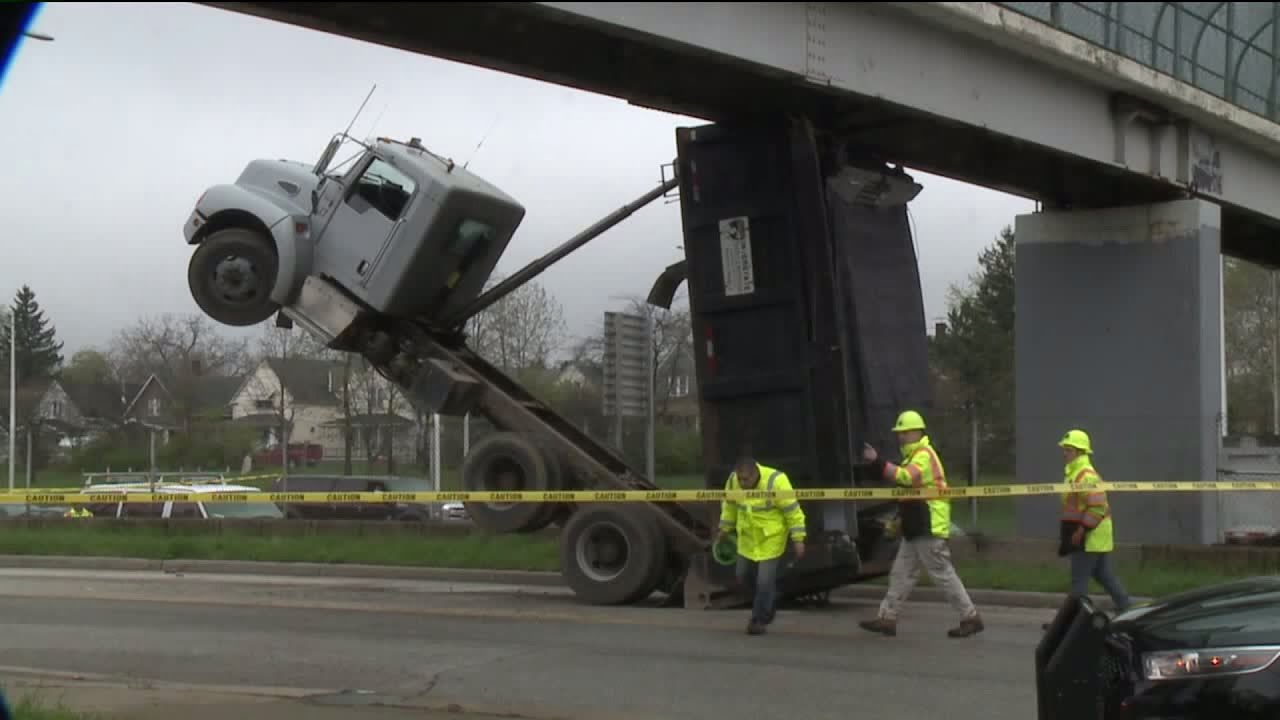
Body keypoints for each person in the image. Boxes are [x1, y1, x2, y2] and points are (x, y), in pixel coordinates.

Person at [859, 410, 984, 638]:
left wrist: (877, 462)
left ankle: (970, 617)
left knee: (942, 574)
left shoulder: (923, 455)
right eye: (899, 433)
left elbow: (906, 477)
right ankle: (887, 618)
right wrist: (899, 520)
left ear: (917, 431)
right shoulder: (914, 456)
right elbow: (909, 492)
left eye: (905, 432)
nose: (901, 437)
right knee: (901, 573)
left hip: (928, 525)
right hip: (916, 526)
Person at [714, 451, 807, 636]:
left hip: (771, 539)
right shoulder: (733, 480)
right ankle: (770, 600)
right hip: (747, 540)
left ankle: (758, 619)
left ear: (756, 473)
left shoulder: (777, 481)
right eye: (740, 479)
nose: (742, 483)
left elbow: (793, 512)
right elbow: (729, 506)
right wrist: (724, 529)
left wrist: (798, 539)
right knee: (742, 576)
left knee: (764, 582)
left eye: (746, 480)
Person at [1056, 429, 1131, 613]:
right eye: (1064, 449)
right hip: (1094, 533)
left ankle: (1070, 622)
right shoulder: (1075, 473)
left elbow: (1098, 507)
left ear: (1081, 452)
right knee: (1103, 575)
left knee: (1078, 583)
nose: (1064, 453)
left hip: (1088, 535)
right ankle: (1127, 609)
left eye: (1069, 450)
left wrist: (1081, 531)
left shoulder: (1085, 475)